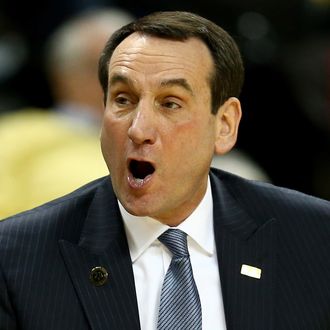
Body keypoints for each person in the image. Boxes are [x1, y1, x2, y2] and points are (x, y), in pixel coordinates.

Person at [0, 11, 329, 330]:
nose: (138, 129)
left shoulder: (315, 238)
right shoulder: (17, 258)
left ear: (225, 125)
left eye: (170, 103)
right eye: (123, 99)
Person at [0, 8, 134, 219]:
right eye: (100, 67)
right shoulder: (15, 134)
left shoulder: (170, 136)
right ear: (63, 74)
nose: (119, 80)